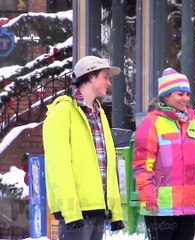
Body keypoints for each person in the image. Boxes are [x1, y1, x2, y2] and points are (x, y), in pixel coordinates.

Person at [132, 67, 195, 240]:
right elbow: (142, 164)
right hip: (160, 208)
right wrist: (148, 195)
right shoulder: (152, 122)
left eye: (187, 94)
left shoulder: (194, 122)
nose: (185, 99)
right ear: (166, 96)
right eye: (180, 94)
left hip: (189, 206)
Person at [43, 55, 124, 240]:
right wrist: (70, 212)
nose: (109, 83)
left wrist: (115, 211)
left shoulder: (100, 114)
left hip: (98, 209)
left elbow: (108, 167)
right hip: (77, 212)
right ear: (90, 77)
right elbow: (58, 166)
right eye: (105, 76)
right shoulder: (62, 113)